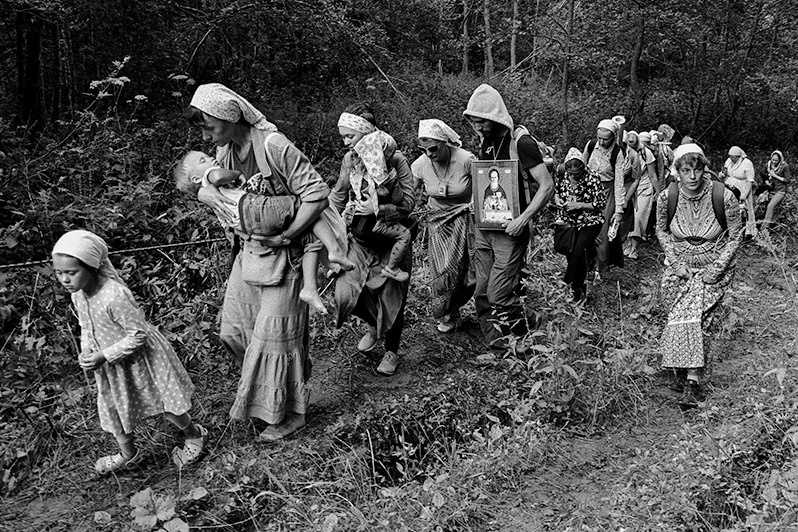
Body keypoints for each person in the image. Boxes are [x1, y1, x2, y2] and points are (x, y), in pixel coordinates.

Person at [185, 83, 328, 442]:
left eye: (209, 125)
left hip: (287, 251)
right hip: (250, 253)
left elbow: (316, 195)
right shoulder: (227, 151)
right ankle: (268, 389)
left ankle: (289, 412)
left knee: (276, 339)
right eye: (202, 127)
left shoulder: (273, 146)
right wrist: (203, 192)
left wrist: (287, 234)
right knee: (234, 331)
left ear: (230, 115)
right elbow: (200, 183)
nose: (206, 134)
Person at [51, 230, 204, 474]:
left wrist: (103, 355)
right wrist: (87, 350)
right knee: (114, 409)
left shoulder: (114, 295)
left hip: (141, 361)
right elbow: (86, 326)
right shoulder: (79, 296)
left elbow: (138, 335)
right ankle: (128, 454)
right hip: (111, 367)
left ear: (91, 267)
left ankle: (194, 434)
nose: (65, 280)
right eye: (59, 273)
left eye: (71, 273)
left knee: (164, 401)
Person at [174, 149, 352, 314]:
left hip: (250, 226)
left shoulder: (211, 196)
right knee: (308, 205)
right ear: (197, 179)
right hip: (253, 210)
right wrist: (237, 174)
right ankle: (334, 252)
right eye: (202, 160)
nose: (210, 158)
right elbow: (219, 176)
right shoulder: (209, 177)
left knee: (308, 236)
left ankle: (311, 287)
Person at [463, 84, 554, 353]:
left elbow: (546, 185)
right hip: (484, 228)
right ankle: (498, 347)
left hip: (510, 231)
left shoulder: (521, 143)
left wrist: (523, 220)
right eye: (474, 121)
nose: (477, 127)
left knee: (499, 294)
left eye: (481, 121)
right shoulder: (487, 141)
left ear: (493, 116)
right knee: (481, 292)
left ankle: (526, 325)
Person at [331, 103, 416, 376]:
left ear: (365, 134)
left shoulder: (395, 159)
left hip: (390, 240)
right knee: (345, 294)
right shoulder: (350, 160)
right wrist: (321, 218)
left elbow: (410, 203)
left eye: (349, 137)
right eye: (343, 136)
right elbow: (339, 194)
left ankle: (391, 351)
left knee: (392, 298)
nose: (345, 143)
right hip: (359, 238)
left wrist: (378, 209)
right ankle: (374, 325)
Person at [655, 144, 742, 407]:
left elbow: (735, 234)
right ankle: (681, 371)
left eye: (697, 170)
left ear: (705, 170)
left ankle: (692, 381)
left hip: (712, 267)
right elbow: (662, 231)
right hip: (679, 267)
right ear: (677, 172)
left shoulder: (724, 196)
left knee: (696, 318)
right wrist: (677, 262)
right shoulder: (666, 197)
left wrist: (716, 269)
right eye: (686, 170)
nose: (692, 176)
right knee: (675, 315)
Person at [411, 119, 476, 333]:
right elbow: (410, 195)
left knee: (467, 271)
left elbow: (483, 188)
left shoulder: (466, 159)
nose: (429, 154)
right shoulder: (420, 165)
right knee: (442, 270)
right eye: (424, 149)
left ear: (444, 142)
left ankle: (460, 306)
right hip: (438, 221)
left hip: (465, 219)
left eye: (433, 148)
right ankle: (449, 314)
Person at [552, 148, 606, 301]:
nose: (573, 177)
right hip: (569, 219)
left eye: (577, 174)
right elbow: (557, 192)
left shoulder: (593, 178)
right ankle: (578, 291)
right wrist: (559, 201)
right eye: (571, 174)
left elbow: (600, 204)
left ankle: (566, 283)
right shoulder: (561, 173)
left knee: (578, 250)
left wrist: (580, 205)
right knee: (572, 254)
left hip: (590, 220)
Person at [583, 119, 633, 276]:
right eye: (599, 138)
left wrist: (619, 210)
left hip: (607, 193)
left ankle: (601, 268)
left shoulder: (618, 153)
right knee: (585, 229)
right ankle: (586, 264)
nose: (602, 142)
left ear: (613, 137)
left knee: (601, 232)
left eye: (606, 139)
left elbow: (619, 183)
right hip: (589, 191)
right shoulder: (591, 145)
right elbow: (581, 166)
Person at [625, 130, 658, 259]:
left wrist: (659, 193)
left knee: (640, 217)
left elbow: (652, 175)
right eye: (629, 143)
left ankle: (634, 248)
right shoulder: (624, 152)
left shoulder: (646, 153)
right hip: (628, 188)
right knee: (627, 218)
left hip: (644, 187)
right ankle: (625, 244)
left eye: (633, 143)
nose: (631, 145)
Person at [720, 146, 758, 238]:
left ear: (738, 156)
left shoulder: (747, 163)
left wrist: (744, 194)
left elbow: (750, 180)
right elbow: (725, 173)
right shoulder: (728, 161)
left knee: (747, 208)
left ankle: (749, 231)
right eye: (730, 156)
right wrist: (722, 175)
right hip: (730, 186)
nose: (731, 158)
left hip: (743, 187)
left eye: (733, 157)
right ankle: (730, 228)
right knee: (730, 207)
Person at [761, 150, 791, 239]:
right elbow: (762, 173)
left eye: (776, 160)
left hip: (780, 191)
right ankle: (774, 226)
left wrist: (775, 175)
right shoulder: (769, 164)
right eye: (773, 160)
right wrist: (766, 181)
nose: (774, 162)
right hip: (771, 190)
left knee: (771, 206)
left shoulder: (784, 166)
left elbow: (787, 180)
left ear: (780, 159)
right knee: (769, 208)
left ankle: (764, 229)